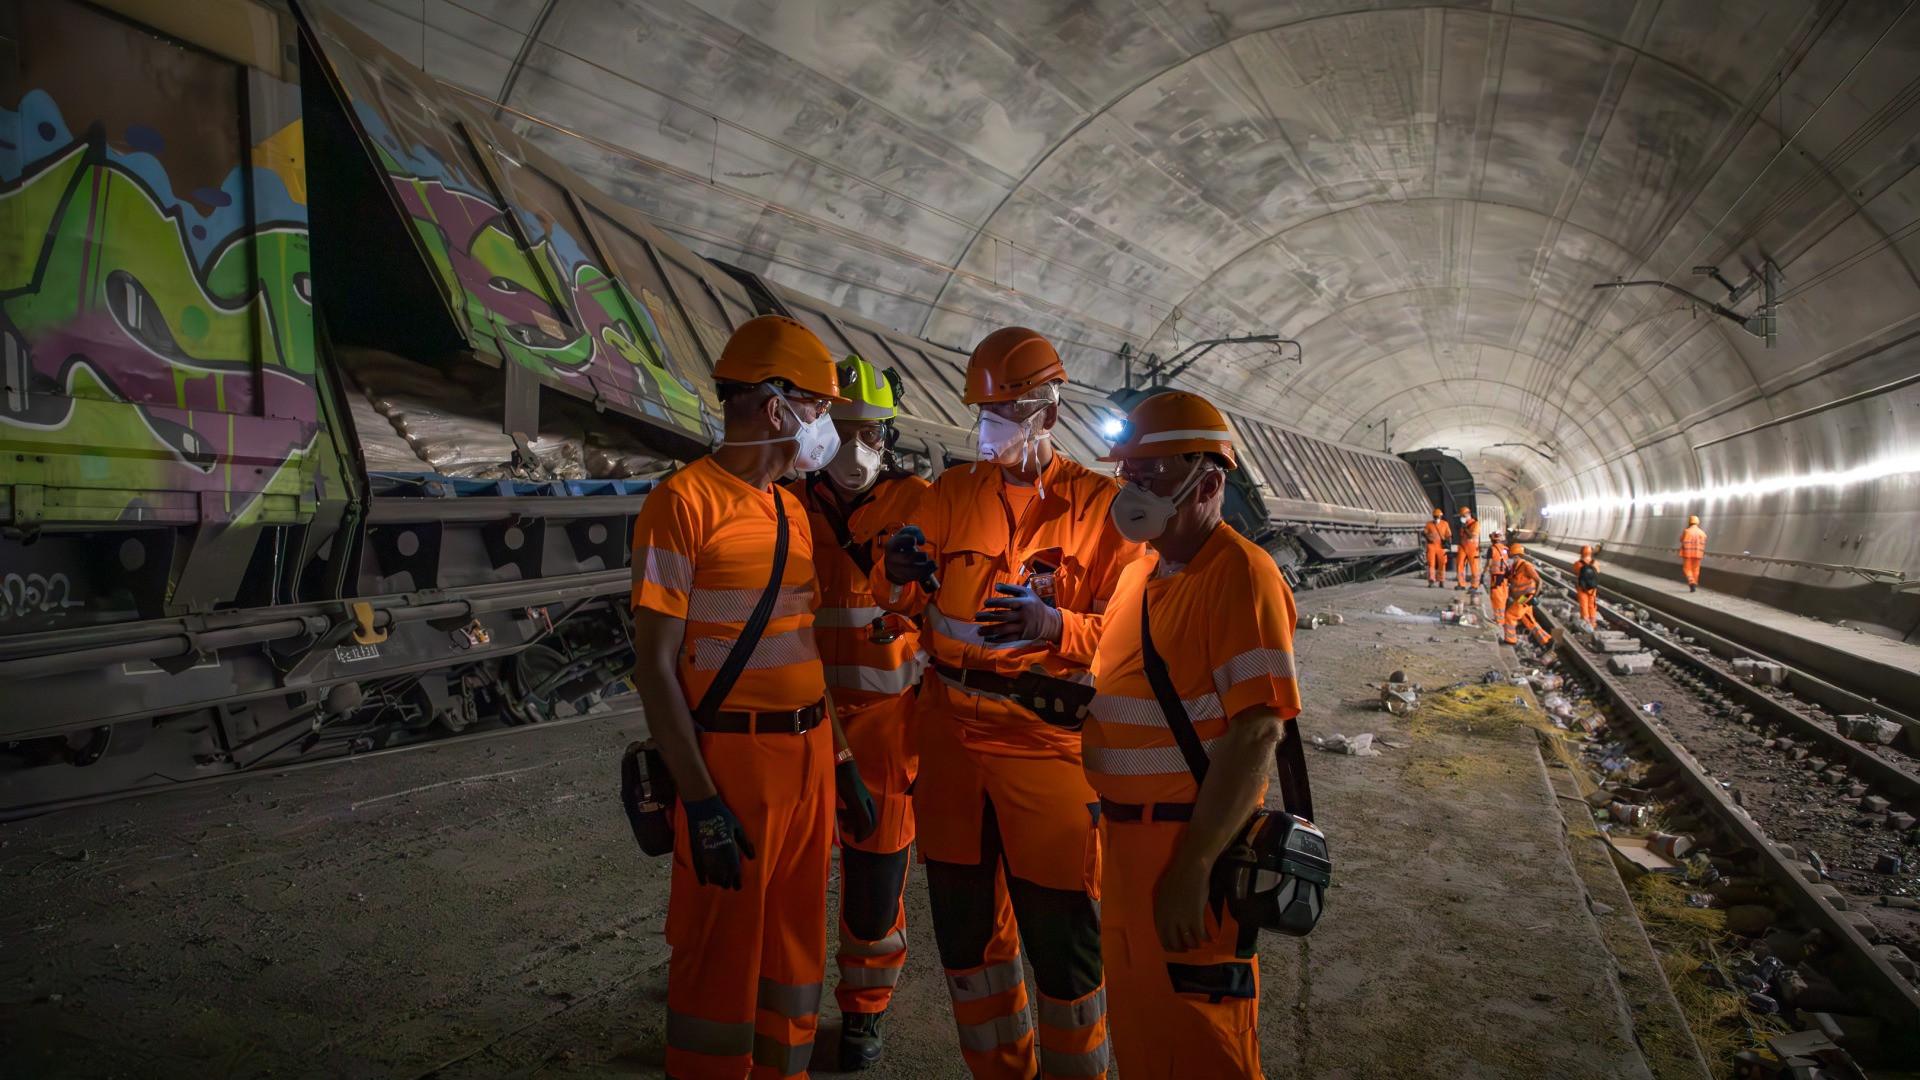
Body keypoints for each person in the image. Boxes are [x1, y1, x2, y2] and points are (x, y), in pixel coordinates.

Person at [880, 326, 1141, 1079]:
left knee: (1062, 943)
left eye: (1005, 411)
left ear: (1048, 415)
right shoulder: (951, 494)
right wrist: (894, 572)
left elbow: (1127, 638)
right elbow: (896, 598)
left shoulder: (1103, 509)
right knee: (967, 942)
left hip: (1047, 746)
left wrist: (1056, 625)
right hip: (952, 740)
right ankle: (999, 1071)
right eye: (984, 410)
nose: (990, 425)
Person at [629, 315, 879, 1080]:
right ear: (776, 408)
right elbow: (654, 667)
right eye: (819, 410)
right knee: (721, 955)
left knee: (795, 949)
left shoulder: (790, 509)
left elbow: (801, 647)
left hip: (804, 763)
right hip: (731, 767)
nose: (827, 430)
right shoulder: (682, 504)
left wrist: (838, 760)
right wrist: (700, 801)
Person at [1083, 391, 1302, 1079]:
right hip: (1121, 844)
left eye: (1150, 473)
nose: (1131, 489)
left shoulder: (1241, 575)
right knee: (1145, 1033)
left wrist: (1192, 868)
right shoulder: (1139, 573)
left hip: (1185, 844)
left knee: (1204, 1040)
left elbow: (1258, 732)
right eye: (1127, 473)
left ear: (1208, 484)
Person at [788, 356, 930, 1070]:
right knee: (792, 879)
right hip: (801, 724)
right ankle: (783, 1007)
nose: (854, 447)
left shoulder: (920, 504)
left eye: (868, 431)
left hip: (885, 731)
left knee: (875, 889)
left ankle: (865, 1011)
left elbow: (944, 609)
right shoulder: (784, 501)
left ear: (889, 433)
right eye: (839, 429)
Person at [1501, 543, 1550, 648]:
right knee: (1528, 620)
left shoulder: (1526, 566)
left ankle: (1510, 640)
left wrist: (1535, 596)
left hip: (1526, 597)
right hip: (1520, 597)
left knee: (1510, 615)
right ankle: (1546, 640)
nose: (1509, 558)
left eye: (1511, 556)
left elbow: (1539, 581)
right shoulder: (1515, 567)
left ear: (1516, 556)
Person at [1485, 531, 1510, 623]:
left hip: (1496, 577)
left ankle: (1498, 619)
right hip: (1505, 576)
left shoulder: (1491, 549)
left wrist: (1483, 574)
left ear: (1492, 539)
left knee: (1496, 597)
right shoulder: (1505, 549)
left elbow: (1489, 563)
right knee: (1503, 596)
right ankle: (1501, 618)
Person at [1422, 509, 1451, 588]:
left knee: (1442, 564)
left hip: (1441, 547)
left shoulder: (1445, 524)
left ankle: (1441, 581)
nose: (1436, 518)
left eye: (1438, 516)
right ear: (1433, 516)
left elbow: (1448, 535)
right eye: (1435, 517)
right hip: (1431, 546)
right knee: (1431, 564)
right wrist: (1428, 537)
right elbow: (1424, 533)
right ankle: (1431, 580)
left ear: (1441, 516)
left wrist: (1448, 546)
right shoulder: (1429, 524)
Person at [1572, 544, 1600, 625]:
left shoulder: (1577, 563)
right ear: (1591, 552)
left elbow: (1577, 573)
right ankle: (1593, 623)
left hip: (1582, 587)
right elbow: (1597, 572)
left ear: (1581, 552)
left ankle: (1585, 623)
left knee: (1584, 604)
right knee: (1592, 605)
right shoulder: (1596, 563)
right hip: (1592, 588)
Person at [1454, 507, 1480, 592]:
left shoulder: (1475, 524)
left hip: (1473, 548)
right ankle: (1461, 584)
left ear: (1468, 514)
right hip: (1463, 546)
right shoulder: (1463, 525)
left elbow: (1471, 536)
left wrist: (1465, 527)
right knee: (1459, 565)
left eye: (1463, 515)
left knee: (1474, 567)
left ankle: (1474, 585)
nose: (1462, 517)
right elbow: (1461, 536)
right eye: (1461, 516)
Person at [1679, 515, 1707, 592]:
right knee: (1696, 569)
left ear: (1689, 522)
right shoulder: (1702, 533)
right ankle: (1695, 582)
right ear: (1698, 522)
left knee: (1687, 568)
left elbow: (1681, 539)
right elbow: (1705, 540)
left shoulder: (1687, 531)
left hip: (1688, 554)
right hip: (1698, 554)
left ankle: (1691, 582)